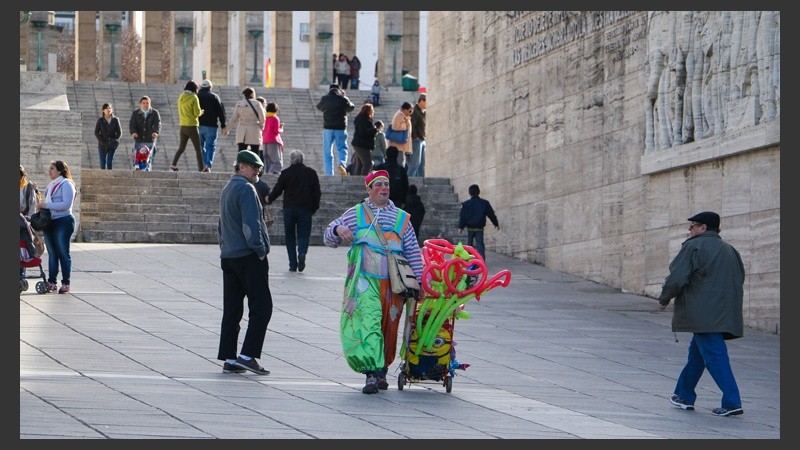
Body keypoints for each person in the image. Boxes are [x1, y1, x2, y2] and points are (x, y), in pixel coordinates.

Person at [323, 169, 423, 394]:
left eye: (386, 184)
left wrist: (421, 283)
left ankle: (381, 371)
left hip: (393, 285)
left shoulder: (401, 218)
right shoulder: (355, 213)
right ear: (368, 190)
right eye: (378, 184)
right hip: (364, 283)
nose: (384, 188)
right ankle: (371, 374)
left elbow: (413, 253)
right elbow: (328, 236)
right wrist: (339, 229)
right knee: (369, 323)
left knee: (389, 326)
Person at [657, 211, 745, 417]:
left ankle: (732, 402)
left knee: (715, 356)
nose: (690, 230)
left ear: (704, 228)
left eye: (693, 226)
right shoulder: (730, 250)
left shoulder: (693, 246)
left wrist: (664, 298)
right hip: (723, 312)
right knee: (697, 355)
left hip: (703, 313)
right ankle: (684, 395)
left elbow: (678, 277)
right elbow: (739, 279)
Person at [217, 150, 273, 376]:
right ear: (241, 166)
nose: (257, 170)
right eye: (253, 166)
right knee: (262, 307)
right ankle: (248, 356)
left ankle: (229, 358)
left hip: (229, 256)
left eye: (258, 167)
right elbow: (251, 225)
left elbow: (220, 225)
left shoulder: (227, 188)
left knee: (232, 309)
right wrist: (259, 250)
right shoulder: (246, 189)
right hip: (248, 257)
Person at [267, 150, 321, 273]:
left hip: (289, 209)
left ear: (291, 160)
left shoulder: (286, 173)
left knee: (290, 237)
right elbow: (317, 193)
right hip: (305, 209)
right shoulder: (311, 173)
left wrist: (269, 199)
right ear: (303, 159)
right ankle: (301, 253)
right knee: (304, 235)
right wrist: (314, 208)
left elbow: (278, 189)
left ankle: (292, 264)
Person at [37, 160, 77, 294]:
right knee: (52, 254)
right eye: (49, 168)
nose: (49, 171)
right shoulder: (51, 185)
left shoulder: (66, 184)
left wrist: (46, 205)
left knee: (63, 253)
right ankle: (52, 281)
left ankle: (66, 283)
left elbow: (66, 204)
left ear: (60, 171)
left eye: (52, 169)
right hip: (50, 222)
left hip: (63, 221)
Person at [316, 84, 355, 176]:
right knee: (342, 147)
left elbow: (319, 107)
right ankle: (342, 164)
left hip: (328, 128)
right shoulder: (343, 99)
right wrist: (344, 96)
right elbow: (351, 107)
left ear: (330, 89)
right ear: (339, 90)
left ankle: (329, 173)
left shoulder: (325, 98)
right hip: (340, 128)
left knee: (327, 151)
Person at [458, 184, 499, 262]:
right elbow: (491, 214)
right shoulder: (485, 203)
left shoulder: (466, 204)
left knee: (469, 245)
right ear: (479, 192)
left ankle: (468, 261)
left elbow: (462, 216)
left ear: (470, 193)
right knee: (480, 245)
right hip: (479, 228)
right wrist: (495, 223)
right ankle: (481, 262)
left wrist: (461, 227)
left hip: (470, 227)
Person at [171, 80, 205, 172]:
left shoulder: (181, 97)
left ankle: (173, 165)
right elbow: (196, 112)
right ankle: (201, 168)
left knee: (181, 148)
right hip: (192, 126)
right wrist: (201, 112)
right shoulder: (194, 97)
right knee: (198, 149)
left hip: (183, 126)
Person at [224, 87, 265, 154]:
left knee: (242, 151)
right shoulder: (257, 104)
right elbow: (262, 117)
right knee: (255, 151)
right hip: (254, 129)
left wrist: (227, 129)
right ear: (252, 94)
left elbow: (233, 119)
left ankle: (241, 163)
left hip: (242, 130)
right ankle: (255, 164)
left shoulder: (239, 104)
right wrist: (262, 126)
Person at [197, 79, 226, 172]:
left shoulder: (196, 96)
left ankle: (201, 165)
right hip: (211, 126)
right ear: (210, 87)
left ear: (201, 87)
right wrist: (223, 124)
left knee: (200, 147)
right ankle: (207, 165)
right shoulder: (214, 97)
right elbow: (221, 112)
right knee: (210, 146)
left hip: (198, 125)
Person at [129, 96, 161, 168]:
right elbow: (132, 124)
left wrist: (155, 132)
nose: (145, 104)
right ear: (140, 104)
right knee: (136, 156)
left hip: (150, 139)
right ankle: (136, 167)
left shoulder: (155, 113)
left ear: (150, 104)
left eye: (147, 103)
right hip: (139, 139)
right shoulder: (135, 113)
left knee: (149, 157)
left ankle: (148, 168)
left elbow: (158, 124)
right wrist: (133, 132)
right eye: (143, 103)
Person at [350, 103, 379, 176]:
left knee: (359, 164)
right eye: (372, 110)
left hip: (359, 144)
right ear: (368, 111)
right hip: (362, 145)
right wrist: (374, 130)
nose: (373, 112)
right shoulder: (364, 120)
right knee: (368, 163)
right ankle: (363, 180)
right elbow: (363, 132)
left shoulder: (361, 118)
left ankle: (357, 179)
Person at [93, 103, 122, 170]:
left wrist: (115, 140)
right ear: (103, 110)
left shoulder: (115, 120)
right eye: (107, 108)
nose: (108, 109)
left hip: (112, 145)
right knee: (102, 163)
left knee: (109, 162)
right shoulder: (100, 120)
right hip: (102, 145)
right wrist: (101, 141)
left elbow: (119, 132)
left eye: (110, 108)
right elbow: (96, 132)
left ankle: (110, 177)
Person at [387, 102, 413, 167]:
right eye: (410, 110)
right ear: (405, 109)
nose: (411, 112)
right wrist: (406, 125)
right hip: (398, 144)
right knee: (400, 162)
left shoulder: (404, 116)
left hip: (400, 144)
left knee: (401, 161)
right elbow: (395, 127)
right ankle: (399, 175)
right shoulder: (399, 115)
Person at [261, 101, 285, 174]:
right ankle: (274, 172)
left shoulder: (264, 118)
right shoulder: (275, 118)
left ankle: (267, 173)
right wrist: (281, 128)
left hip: (265, 141)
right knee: (276, 160)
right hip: (273, 141)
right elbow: (275, 131)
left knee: (267, 159)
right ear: (276, 110)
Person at [408, 93, 427, 177]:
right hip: (416, 140)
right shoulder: (414, 111)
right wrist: (415, 137)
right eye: (426, 102)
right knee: (415, 163)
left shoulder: (423, 112)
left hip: (422, 140)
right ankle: (409, 181)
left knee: (422, 165)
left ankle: (422, 182)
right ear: (421, 101)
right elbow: (412, 126)